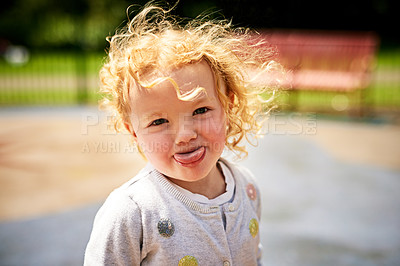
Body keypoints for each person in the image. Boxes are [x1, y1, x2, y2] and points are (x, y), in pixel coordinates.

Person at [84, 2, 280, 265]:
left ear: (228, 105)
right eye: (159, 121)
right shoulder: (132, 212)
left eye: (200, 110)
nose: (185, 135)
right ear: (133, 132)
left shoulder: (246, 187)